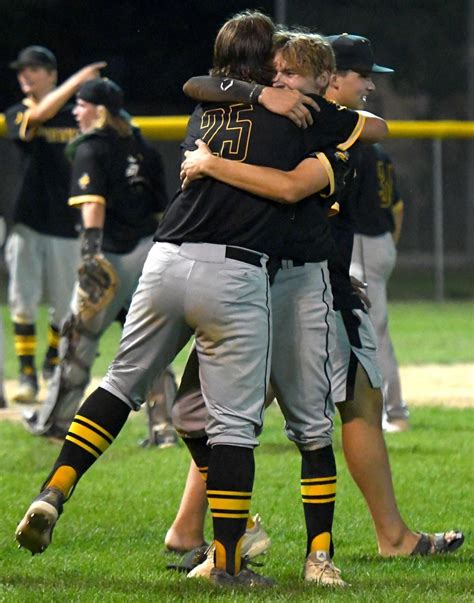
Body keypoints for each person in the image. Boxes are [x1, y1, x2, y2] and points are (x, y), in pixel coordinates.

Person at [15, 11, 387, 589]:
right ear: (266, 68)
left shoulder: (228, 108)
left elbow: (305, 163)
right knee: (232, 426)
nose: (282, 79)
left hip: (186, 262)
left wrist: (213, 162)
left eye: (291, 73)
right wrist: (267, 98)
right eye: (277, 69)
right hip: (237, 274)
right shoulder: (290, 114)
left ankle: (54, 490)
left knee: (122, 383)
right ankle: (230, 558)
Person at [170, 30, 463, 562]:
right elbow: (290, 189)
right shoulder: (317, 128)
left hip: (252, 280)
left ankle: (190, 526)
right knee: (351, 402)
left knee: (233, 412)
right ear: (332, 78)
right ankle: (379, 540)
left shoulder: (266, 117)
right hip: (290, 287)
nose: (370, 86)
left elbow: (203, 88)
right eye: (362, 75)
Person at [21, 77, 176, 446]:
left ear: (99, 110)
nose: (75, 110)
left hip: (109, 256)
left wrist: (90, 255)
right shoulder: (144, 148)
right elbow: (160, 212)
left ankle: (57, 422)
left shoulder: (90, 149)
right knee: (150, 343)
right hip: (147, 255)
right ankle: (163, 427)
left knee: (78, 339)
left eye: (81, 104)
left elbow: (93, 205)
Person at [4, 46, 105, 404]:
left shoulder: (71, 116)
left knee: (65, 307)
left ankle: (50, 364)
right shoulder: (18, 112)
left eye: (33, 69)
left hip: (65, 222)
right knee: (23, 300)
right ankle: (27, 374)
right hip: (27, 221)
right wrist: (79, 78)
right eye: (21, 71)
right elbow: (38, 117)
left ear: (50, 73)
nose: (25, 76)